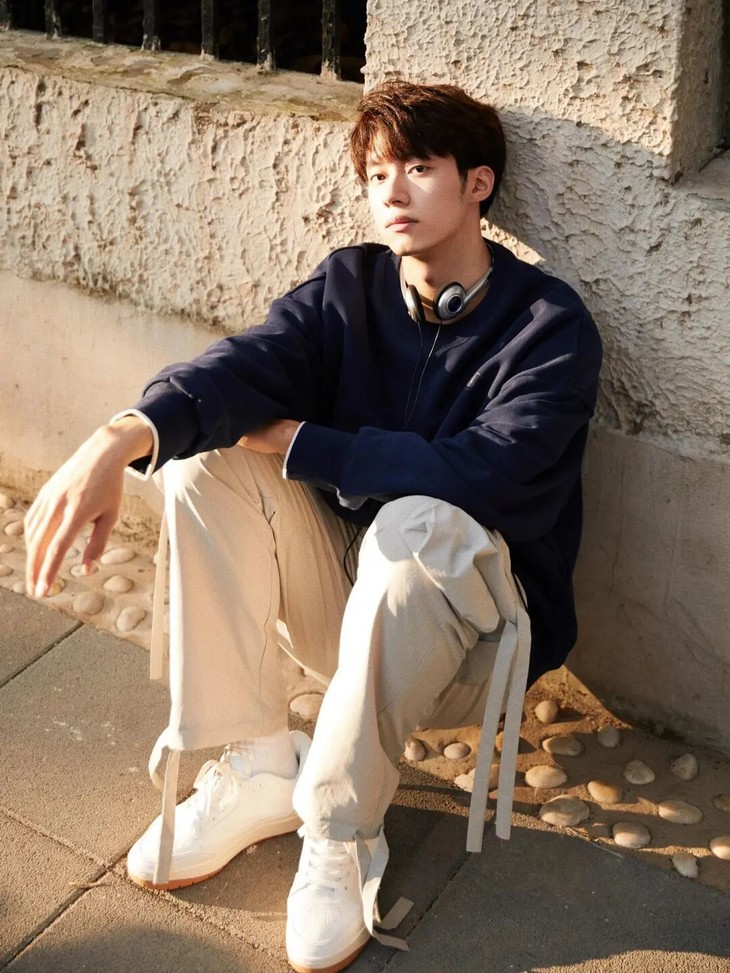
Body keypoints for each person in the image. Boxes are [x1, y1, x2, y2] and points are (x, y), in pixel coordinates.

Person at [25, 80, 602, 973]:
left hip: (470, 650)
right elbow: (248, 363)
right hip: (346, 607)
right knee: (206, 460)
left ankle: (342, 828)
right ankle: (261, 763)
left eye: (420, 167)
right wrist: (123, 435)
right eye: (377, 174)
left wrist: (304, 442)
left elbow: (486, 473)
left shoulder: (549, 327)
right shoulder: (351, 285)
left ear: (478, 183)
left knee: (422, 520)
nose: (393, 191)